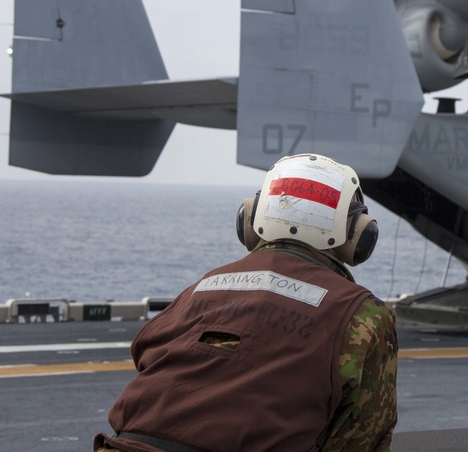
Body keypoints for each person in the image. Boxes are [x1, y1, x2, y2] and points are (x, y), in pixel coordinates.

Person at [94, 153, 398, 452]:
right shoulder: (363, 314)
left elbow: (144, 350)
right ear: (359, 235)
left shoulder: (203, 286)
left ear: (250, 219)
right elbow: (363, 435)